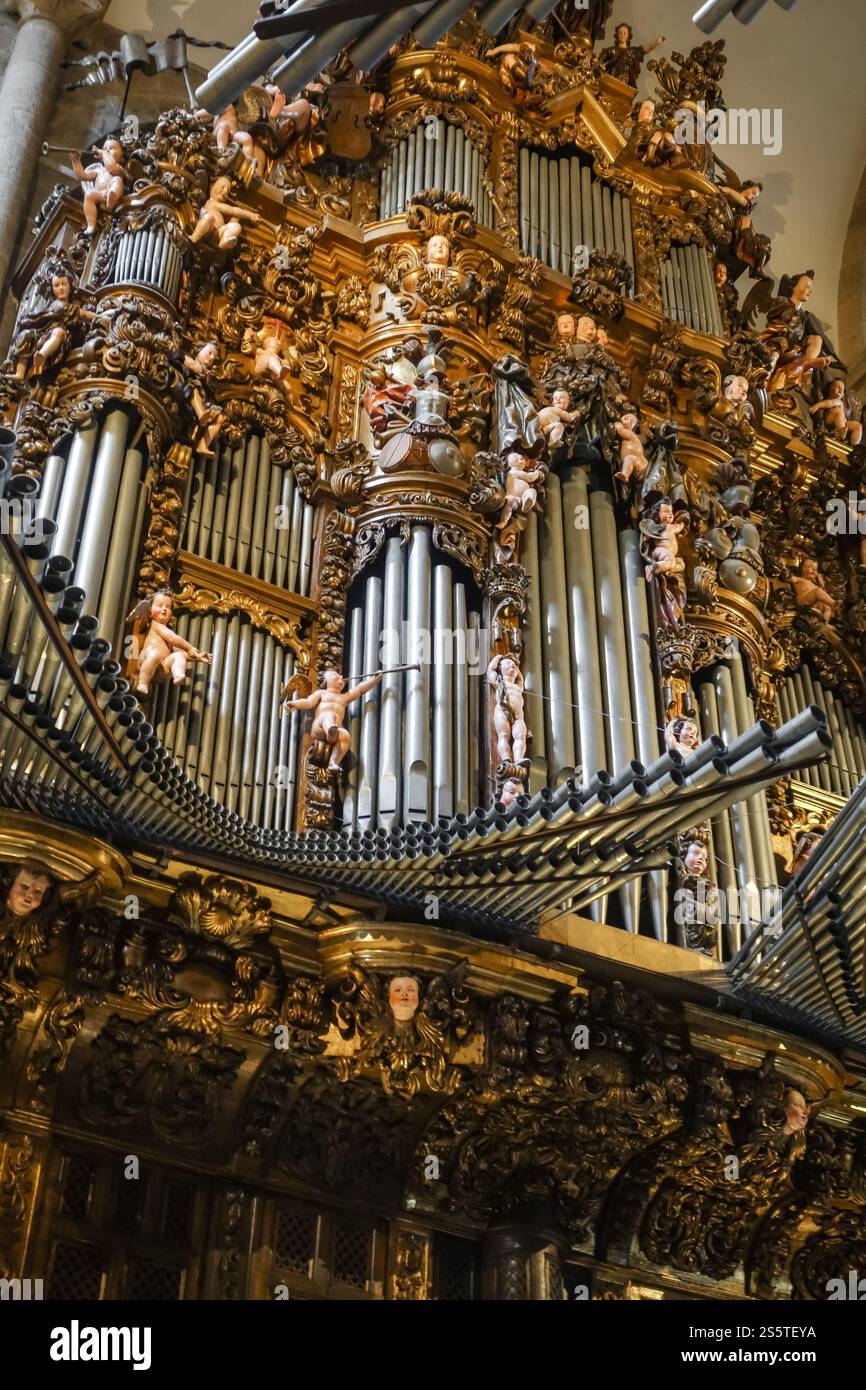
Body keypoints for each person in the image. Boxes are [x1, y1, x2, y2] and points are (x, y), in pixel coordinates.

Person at [282, 668, 384, 772]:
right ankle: (330, 731)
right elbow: (308, 702)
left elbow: (360, 689)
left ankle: (333, 762)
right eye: (335, 676)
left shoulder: (344, 697)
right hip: (319, 728)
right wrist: (295, 704)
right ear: (326, 681)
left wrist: (374, 680)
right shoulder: (321, 693)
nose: (340, 677)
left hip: (335, 731)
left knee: (345, 735)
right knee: (330, 715)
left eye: (340, 676)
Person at [128, 591, 212, 695]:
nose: (164, 609)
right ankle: (142, 682)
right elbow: (172, 638)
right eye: (159, 605)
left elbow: (180, 650)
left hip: (162, 669)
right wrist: (190, 647)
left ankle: (178, 675)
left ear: (171, 614)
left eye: (167, 607)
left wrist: (197, 657)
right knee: (155, 654)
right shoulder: (156, 625)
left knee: (179, 655)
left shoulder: (166, 640)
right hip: (147, 659)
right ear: (149, 611)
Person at [190, 176, 263, 251]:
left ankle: (223, 242)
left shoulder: (219, 209)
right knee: (209, 218)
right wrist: (251, 215)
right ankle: (193, 238)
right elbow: (232, 211)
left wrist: (235, 219)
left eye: (227, 191)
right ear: (212, 187)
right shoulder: (211, 203)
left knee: (236, 226)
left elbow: (234, 214)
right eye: (222, 187)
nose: (225, 191)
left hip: (217, 234)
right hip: (206, 230)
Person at [71, 138, 126, 235]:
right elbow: (82, 175)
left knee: (116, 180)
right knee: (89, 194)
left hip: (113, 193)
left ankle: (112, 197)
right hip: (100, 195)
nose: (107, 150)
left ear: (121, 157)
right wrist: (75, 161)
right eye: (105, 148)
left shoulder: (119, 168)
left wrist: (102, 152)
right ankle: (91, 225)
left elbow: (111, 167)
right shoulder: (98, 171)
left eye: (112, 148)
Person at [486, 653, 529, 766]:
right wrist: (498, 658)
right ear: (500, 668)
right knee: (504, 735)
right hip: (502, 710)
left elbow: (520, 677)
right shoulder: (499, 681)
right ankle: (506, 759)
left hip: (518, 716)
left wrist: (514, 663)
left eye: (514, 664)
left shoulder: (518, 686)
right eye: (508, 663)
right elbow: (490, 670)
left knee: (520, 735)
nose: (512, 665)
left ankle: (518, 758)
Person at [599, 23, 664, 88]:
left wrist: (656, 42)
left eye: (625, 33)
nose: (622, 35)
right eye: (620, 33)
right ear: (617, 35)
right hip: (611, 81)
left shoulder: (634, 51)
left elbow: (647, 48)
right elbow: (599, 60)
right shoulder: (610, 50)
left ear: (628, 35)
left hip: (626, 83)